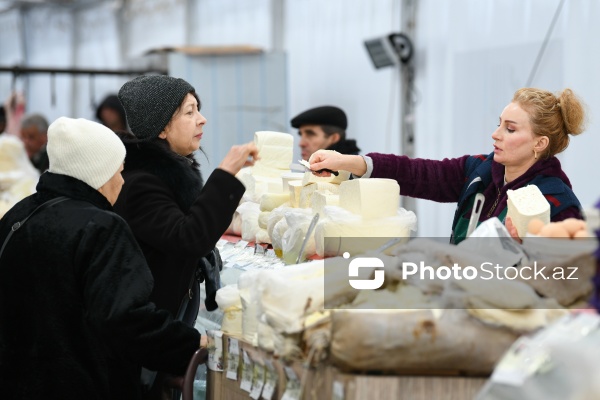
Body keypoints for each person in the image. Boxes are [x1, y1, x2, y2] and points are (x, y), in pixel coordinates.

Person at [0, 117, 205, 400]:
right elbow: (126, 321)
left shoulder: (19, 214)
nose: (122, 181)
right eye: (119, 171)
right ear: (97, 173)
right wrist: (192, 345)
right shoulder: (102, 227)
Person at [308, 88, 586, 244]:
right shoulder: (481, 171)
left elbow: (568, 279)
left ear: (540, 143)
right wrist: (347, 162)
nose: (496, 134)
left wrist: (527, 251)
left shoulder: (556, 201)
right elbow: (415, 173)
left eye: (510, 129)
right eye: (498, 124)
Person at [291, 105, 361, 161]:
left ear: (334, 138)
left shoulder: (354, 175)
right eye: (301, 135)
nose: (301, 144)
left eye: (310, 134)